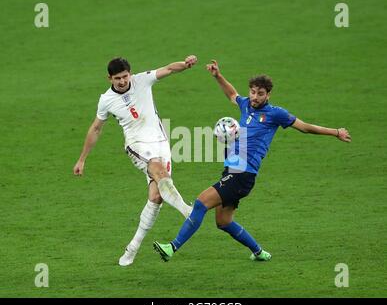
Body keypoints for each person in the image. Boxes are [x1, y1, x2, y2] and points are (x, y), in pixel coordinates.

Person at [153, 60, 351, 262]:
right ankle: (259, 253)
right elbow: (232, 95)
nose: (255, 97)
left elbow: (305, 127)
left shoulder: (276, 114)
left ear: (268, 95)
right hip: (233, 170)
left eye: (260, 93)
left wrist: (335, 132)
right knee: (223, 222)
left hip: (243, 175)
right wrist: (217, 76)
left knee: (200, 203)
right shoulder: (246, 104)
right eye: (253, 92)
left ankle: (172, 247)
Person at [73, 55, 198, 266]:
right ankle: (188, 211)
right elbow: (96, 128)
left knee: (157, 196)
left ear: (130, 73)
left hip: (161, 141)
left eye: (124, 76)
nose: (122, 81)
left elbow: (168, 68)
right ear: (109, 78)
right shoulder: (106, 100)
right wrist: (82, 159)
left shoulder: (142, 80)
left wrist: (185, 65)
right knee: (159, 173)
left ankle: (132, 248)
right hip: (137, 144)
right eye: (117, 78)